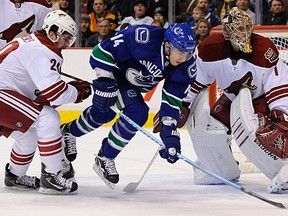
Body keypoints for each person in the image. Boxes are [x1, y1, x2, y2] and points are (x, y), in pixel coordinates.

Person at [60, 23, 197, 188]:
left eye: (187, 54)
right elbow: (100, 52)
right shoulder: (142, 38)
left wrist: (170, 133)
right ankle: (73, 134)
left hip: (132, 84)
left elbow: (172, 99)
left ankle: (96, 150)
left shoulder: (186, 66)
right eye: (180, 52)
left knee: (124, 113)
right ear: (168, 45)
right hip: (115, 71)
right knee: (118, 112)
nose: (183, 58)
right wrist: (105, 80)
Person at [178, 7, 288, 193]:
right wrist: (183, 104)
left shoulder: (264, 50)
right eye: (239, 28)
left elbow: (278, 84)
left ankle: (282, 170)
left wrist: (280, 114)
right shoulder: (208, 49)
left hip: (261, 99)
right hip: (233, 97)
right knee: (211, 126)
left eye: (247, 27)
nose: (245, 33)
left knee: (260, 134)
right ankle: (221, 168)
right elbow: (196, 80)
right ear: (227, 32)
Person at [0, 10, 92, 194]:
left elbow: (41, 94)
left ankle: (15, 175)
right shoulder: (43, 50)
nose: (66, 44)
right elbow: (55, 94)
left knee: (29, 134)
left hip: (5, 94)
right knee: (48, 118)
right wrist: (78, 92)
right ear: (53, 32)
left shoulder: (34, 43)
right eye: (65, 38)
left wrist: (71, 89)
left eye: (70, 41)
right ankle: (51, 176)